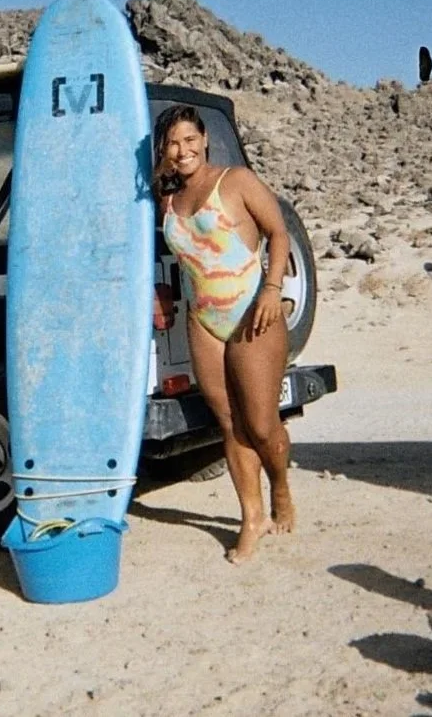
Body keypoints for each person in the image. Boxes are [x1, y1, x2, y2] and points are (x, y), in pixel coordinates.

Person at [153, 105, 296, 563]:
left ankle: (282, 487)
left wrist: (273, 289)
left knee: (259, 423)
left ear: (205, 139)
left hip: (254, 310)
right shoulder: (167, 201)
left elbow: (278, 233)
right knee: (229, 425)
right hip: (204, 321)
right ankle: (251, 518)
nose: (183, 150)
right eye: (173, 143)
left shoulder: (235, 181)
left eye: (190, 140)